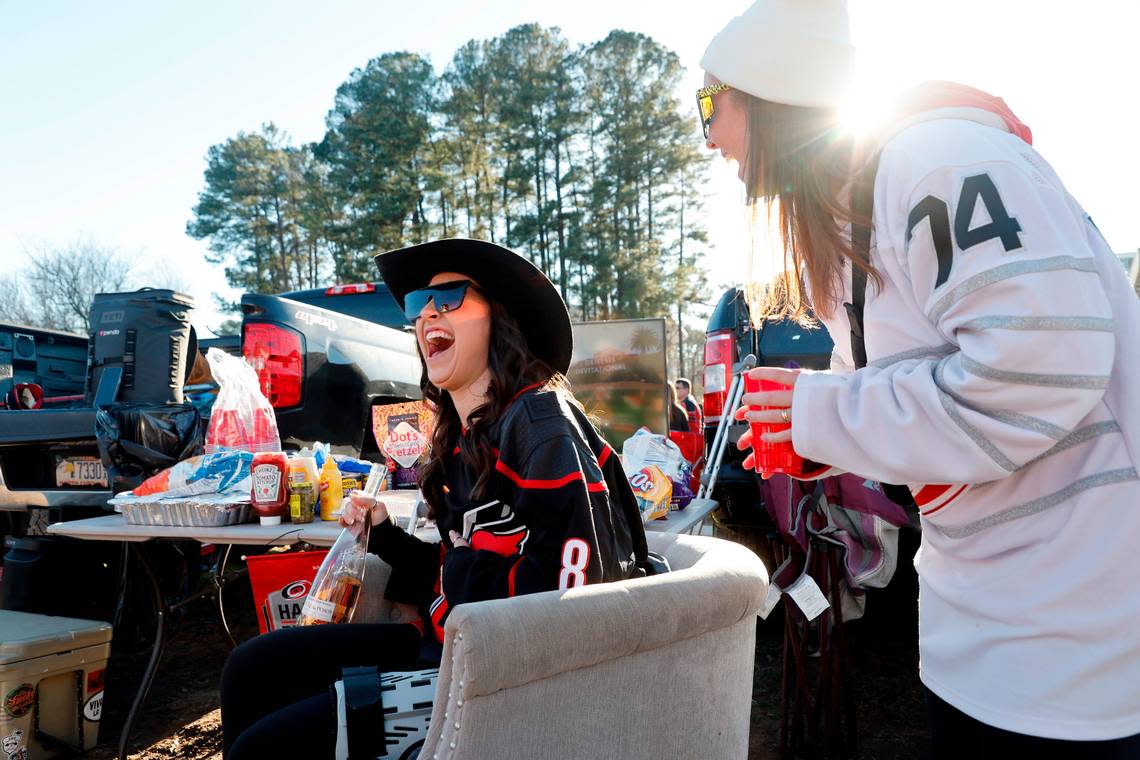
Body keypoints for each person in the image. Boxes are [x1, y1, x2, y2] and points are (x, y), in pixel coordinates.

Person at [700, 0, 1140, 757]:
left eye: (708, 102)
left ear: (767, 86)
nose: (706, 135)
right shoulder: (848, 228)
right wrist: (822, 445)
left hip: (1075, 642)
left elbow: (1036, 369)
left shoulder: (938, 158)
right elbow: (936, 420)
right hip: (982, 634)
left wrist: (821, 416)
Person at [221, 238, 650, 758]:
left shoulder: (541, 424)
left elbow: (576, 596)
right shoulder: (467, 437)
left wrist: (463, 572)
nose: (426, 313)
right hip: (446, 649)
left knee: (263, 749)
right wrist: (386, 538)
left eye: (448, 297)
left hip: (502, 684)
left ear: (502, 317)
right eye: (417, 303)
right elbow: (454, 572)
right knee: (252, 668)